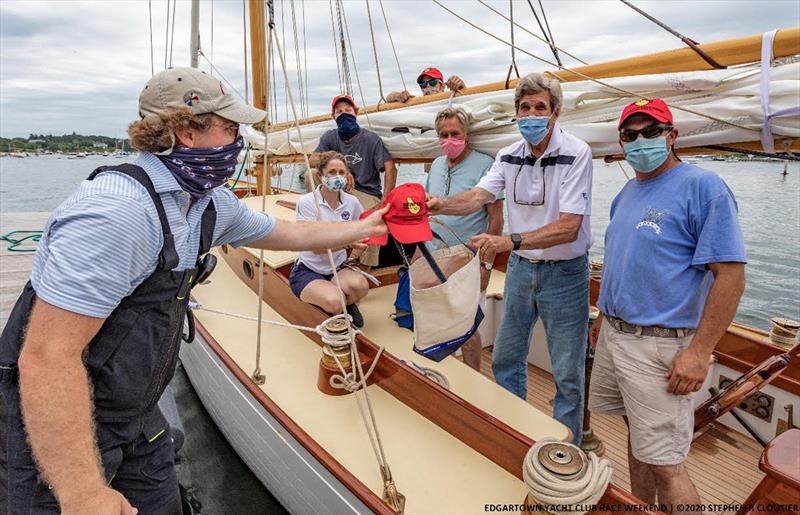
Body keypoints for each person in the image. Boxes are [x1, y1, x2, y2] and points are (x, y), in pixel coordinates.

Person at [0, 67, 387, 515]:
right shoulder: (117, 214)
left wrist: (366, 225)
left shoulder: (207, 204)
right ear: (186, 132)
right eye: (230, 127)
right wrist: (82, 493)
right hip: (61, 425)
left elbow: (288, 233)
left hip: (138, 416)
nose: (239, 140)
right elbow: (47, 357)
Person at [588, 98, 746, 513]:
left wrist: (699, 352)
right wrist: (604, 315)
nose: (640, 141)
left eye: (651, 132)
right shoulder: (627, 191)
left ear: (672, 136)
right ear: (621, 142)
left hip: (659, 346)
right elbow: (625, 260)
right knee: (637, 434)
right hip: (616, 335)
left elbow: (730, 276)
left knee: (668, 464)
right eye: (630, 135)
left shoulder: (704, 187)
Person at [427, 73, 593, 445]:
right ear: (516, 114)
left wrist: (507, 241)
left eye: (539, 108)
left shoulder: (577, 153)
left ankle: (567, 449)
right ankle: (513, 433)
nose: (531, 115)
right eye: (524, 108)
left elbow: (569, 227)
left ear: (555, 112)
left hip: (564, 274)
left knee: (566, 372)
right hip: (521, 268)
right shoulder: (508, 156)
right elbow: (476, 198)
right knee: (505, 357)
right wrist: (439, 204)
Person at [424, 106, 503, 371]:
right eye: (443, 135)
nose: (449, 139)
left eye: (454, 133)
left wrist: (486, 266)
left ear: (466, 133)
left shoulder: (485, 165)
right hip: (433, 256)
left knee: (466, 326)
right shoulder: (435, 165)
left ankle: (474, 376)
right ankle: (444, 372)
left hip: (467, 260)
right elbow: (426, 213)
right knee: (437, 322)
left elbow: (496, 220)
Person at [309, 95, 397, 268]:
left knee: (373, 220)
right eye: (339, 112)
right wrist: (341, 166)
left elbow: (390, 168)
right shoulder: (330, 137)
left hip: (366, 191)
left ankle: (363, 263)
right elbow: (312, 159)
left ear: (356, 113)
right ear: (333, 116)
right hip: (340, 188)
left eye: (348, 111)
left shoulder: (370, 139)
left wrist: (385, 200)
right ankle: (323, 215)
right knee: (311, 173)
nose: (343, 114)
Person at [290, 151, 370, 327]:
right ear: (320, 175)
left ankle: (347, 306)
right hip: (308, 270)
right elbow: (314, 246)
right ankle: (334, 305)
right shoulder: (307, 203)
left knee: (361, 285)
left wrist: (353, 256)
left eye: (342, 172)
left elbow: (361, 231)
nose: (338, 177)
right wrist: (347, 243)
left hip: (338, 267)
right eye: (332, 172)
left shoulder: (352, 202)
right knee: (334, 301)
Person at [386, 67, 466, 103]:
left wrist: (462, 87)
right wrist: (398, 96)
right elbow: (388, 97)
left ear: (442, 86)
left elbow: (467, 102)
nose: (427, 86)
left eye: (432, 82)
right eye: (423, 84)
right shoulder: (416, 103)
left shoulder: (453, 99)